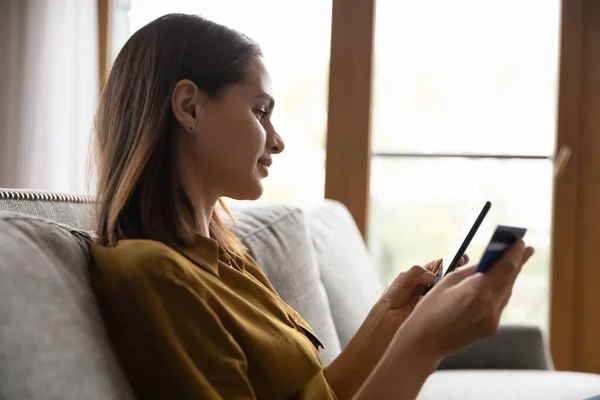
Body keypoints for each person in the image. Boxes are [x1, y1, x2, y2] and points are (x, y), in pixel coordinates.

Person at [90, 13, 535, 400]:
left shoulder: (226, 257)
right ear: (189, 106)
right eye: (260, 111)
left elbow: (318, 395)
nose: (277, 140)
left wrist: (390, 318)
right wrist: (425, 343)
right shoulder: (156, 274)